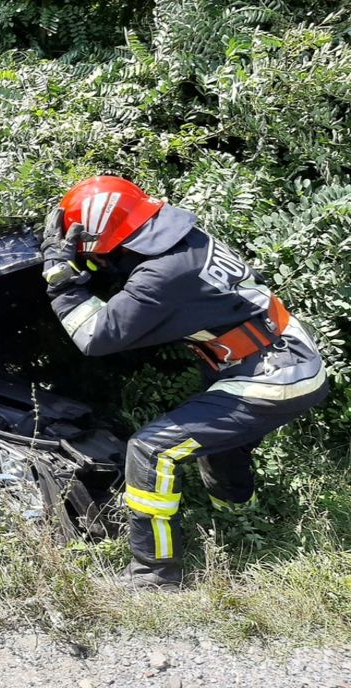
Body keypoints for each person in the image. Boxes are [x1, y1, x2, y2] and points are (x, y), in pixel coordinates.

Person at [39, 176, 328, 589]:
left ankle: (154, 574)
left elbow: (95, 336)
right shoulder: (184, 238)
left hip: (274, 375)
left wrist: (61, 283)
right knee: (217, 444)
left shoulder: (164, 273)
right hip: (280, 356)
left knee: (151, 450)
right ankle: (240, 526)